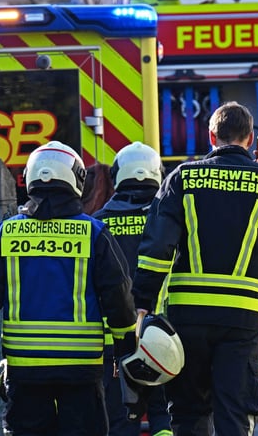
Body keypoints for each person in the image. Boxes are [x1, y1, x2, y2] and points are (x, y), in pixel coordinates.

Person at [132, 101, 258, 435]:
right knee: (234, 413)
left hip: (189, 319)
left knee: (188, 414)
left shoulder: (182, 177)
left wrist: (142, 303)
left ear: (211, 136)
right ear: (250, 139)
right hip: (243, 320)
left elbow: (156, 249)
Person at [0, 141, 137, 435]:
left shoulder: (6, 234)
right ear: (76, 180)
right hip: (81, 369)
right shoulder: (93, 233)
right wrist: (124, 349)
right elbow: (118, 296)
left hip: (25, 369)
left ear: (31, 179)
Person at [93, 142, 172, 436]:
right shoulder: (169, 217)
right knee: (164, 414)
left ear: (117, 176)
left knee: (122, 418)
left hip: (113, 341)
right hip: (164, 335)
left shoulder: (98, 222)